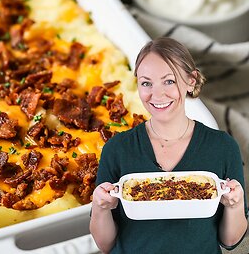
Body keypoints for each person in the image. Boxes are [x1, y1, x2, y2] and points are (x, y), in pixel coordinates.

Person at [90, 37, 248, 254]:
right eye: (146, 83)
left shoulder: (222, 146)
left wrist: (235, 205)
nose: (157, 94)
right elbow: (105, 245)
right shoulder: (117, 149)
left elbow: (230, 241)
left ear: (191, 80)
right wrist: (100, 207)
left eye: (169, 81)